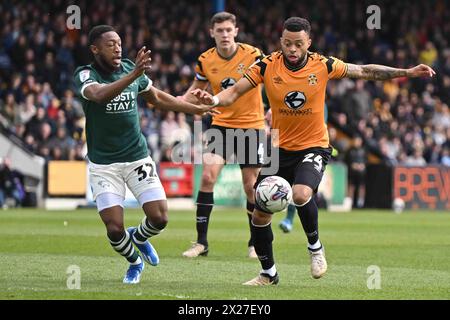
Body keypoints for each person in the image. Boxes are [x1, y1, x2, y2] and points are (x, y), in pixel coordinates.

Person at [192, 17, 435, 285]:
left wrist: (406, 72)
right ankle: (268, 273)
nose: (292, 49)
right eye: (287, 43)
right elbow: (235, 91)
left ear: (308, 42)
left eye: (298, 44)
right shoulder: (266, 65)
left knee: (300, 193)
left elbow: (365, 71)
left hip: (314, 146)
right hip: (280, 148)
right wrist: (213, 99)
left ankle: (315, 248)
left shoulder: (323, 64)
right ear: (281, 42)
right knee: (260, 212)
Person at [73, 25, 216, 284]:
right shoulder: (86, 74)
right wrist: (134, 75)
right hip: (104, 164)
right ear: (95, 49)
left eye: (119, 42)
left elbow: (157, 98)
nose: (117, 47)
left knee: (160, 218)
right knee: (114, 229)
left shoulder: (130, 68)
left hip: (137, 157)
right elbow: (99, 95)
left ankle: (138, 237)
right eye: (110, 44)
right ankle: (134, 262)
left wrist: (191, 109)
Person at [179, 12, 265, 259]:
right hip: (221, 125)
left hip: (252, 126)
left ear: (236, 31)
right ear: (212, 33)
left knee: (251, 187)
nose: (225, 34)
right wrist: (173, 101)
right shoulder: (205, 60)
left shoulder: (253, 54)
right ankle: (201, 242)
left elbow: (269, 81)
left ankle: (255, 243)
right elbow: (196, 90)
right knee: (207, 177)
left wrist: (273, 110)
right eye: (220, 31)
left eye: (229, 30)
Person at [345, 136, 367, 208]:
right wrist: (352, 165)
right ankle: (350, 202)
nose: (357, 143)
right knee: (351, 186)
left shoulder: (363, 150)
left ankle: (360, 202)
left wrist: (362, 165)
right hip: (352, 172)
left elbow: (366, 161)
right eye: (356, 141)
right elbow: (346, 160)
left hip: (361, 173)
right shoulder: (350, 150)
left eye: (358, 141)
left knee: (361, 186)